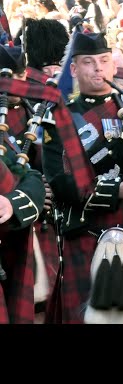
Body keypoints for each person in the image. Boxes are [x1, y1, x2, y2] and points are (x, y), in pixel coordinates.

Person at [41, 32, 123, 324]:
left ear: (113, 67)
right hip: (87, 232)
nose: (98, 68)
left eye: (104, 61)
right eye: (88, 62)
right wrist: (116, 191)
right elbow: (60, 182)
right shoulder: (59, 117)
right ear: (74, 69)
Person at [0, 44, 46, 323]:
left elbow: (31, 174)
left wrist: (18, 201)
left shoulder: (39, 111)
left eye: (17, 76)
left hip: (28, 225)